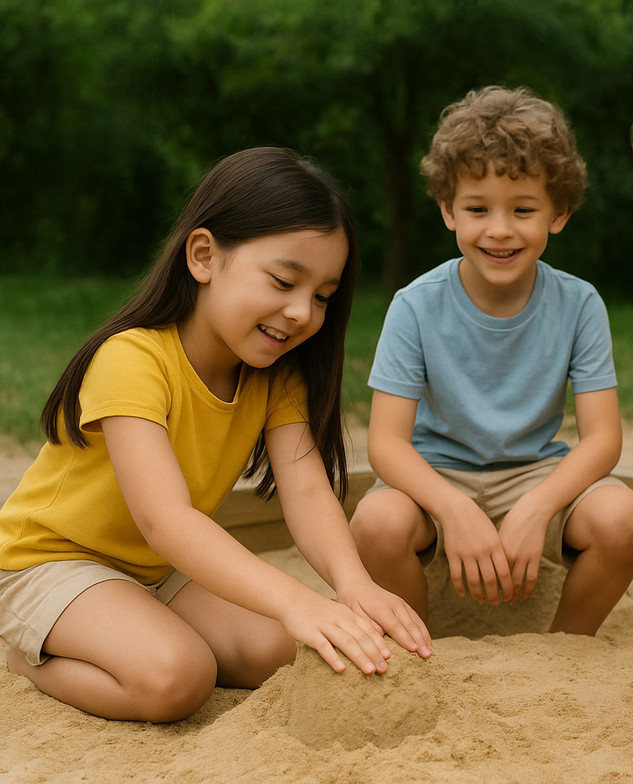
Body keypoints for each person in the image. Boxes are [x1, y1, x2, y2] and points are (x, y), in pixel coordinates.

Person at [0, 147, 433, 723]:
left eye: (323, 296)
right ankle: (20, 657)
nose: (302, 312)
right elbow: (166, 519)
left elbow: (305, 491)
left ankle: (131, 623)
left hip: (155, 568)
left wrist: (355, 586)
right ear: (203, 256)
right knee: (178, 677)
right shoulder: (132, 358)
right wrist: (296, 598)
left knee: (289, 650)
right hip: (50, 563)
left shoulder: (276, 376)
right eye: (284, 280)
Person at [350, 86, 633, 636]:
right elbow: (386, 443)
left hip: (538, 473)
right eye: (477, 208)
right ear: (447, 210)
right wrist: (452, 509)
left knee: (622, 517)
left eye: (523, 209)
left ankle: (566, 644)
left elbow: (602, 439)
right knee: (375, 522)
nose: (500, 229)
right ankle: (418, 641)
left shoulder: (579, 303)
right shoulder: (414, 306)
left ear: (558, 213)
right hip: (436, 473)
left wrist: (538, 507)